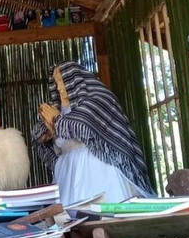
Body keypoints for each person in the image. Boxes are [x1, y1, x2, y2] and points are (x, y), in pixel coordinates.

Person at [31, 61, 156, 206]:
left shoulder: (97, 99)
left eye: (62, 80)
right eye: (56, 82)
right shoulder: (58, 110)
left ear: (74, 79)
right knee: (68, 219)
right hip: (67, 172)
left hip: (95, 167)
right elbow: (51, 138)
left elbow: (85, 122)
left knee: (102, 211)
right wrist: (48, 131)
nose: (59, 87)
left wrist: (57, 121)